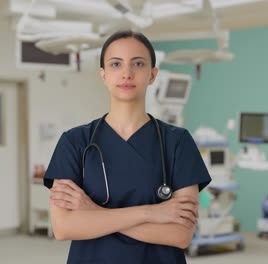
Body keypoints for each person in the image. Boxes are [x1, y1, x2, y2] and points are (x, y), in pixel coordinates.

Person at [43, 30, 211, 264]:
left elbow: (180, 235)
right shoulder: (74, 142)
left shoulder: (177, 142)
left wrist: (93, 213)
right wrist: (152, 213)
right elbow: (64, 227)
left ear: (152, 75)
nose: (127, 73)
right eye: (115, 64)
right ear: (103, 74)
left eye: (138, 63)